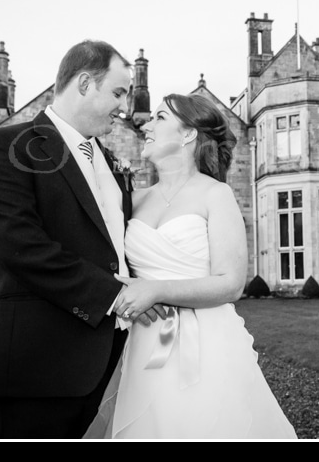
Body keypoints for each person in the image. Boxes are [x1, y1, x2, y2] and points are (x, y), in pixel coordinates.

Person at [0, 40, 162, 439]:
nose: (124, 106)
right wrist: (116, 296)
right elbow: (21, 246)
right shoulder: (3, 147)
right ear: (86, 83)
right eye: (118, 92)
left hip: (114, 360)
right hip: (40, 362)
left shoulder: (109, 160)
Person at [83, 93, 298, 440]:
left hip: (208, 342)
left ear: (187, 135)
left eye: (159, 118)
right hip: (144, 341)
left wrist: (156, 290)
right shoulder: (132, 201)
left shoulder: (216, 195)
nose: (146, 125)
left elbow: (230, 284)